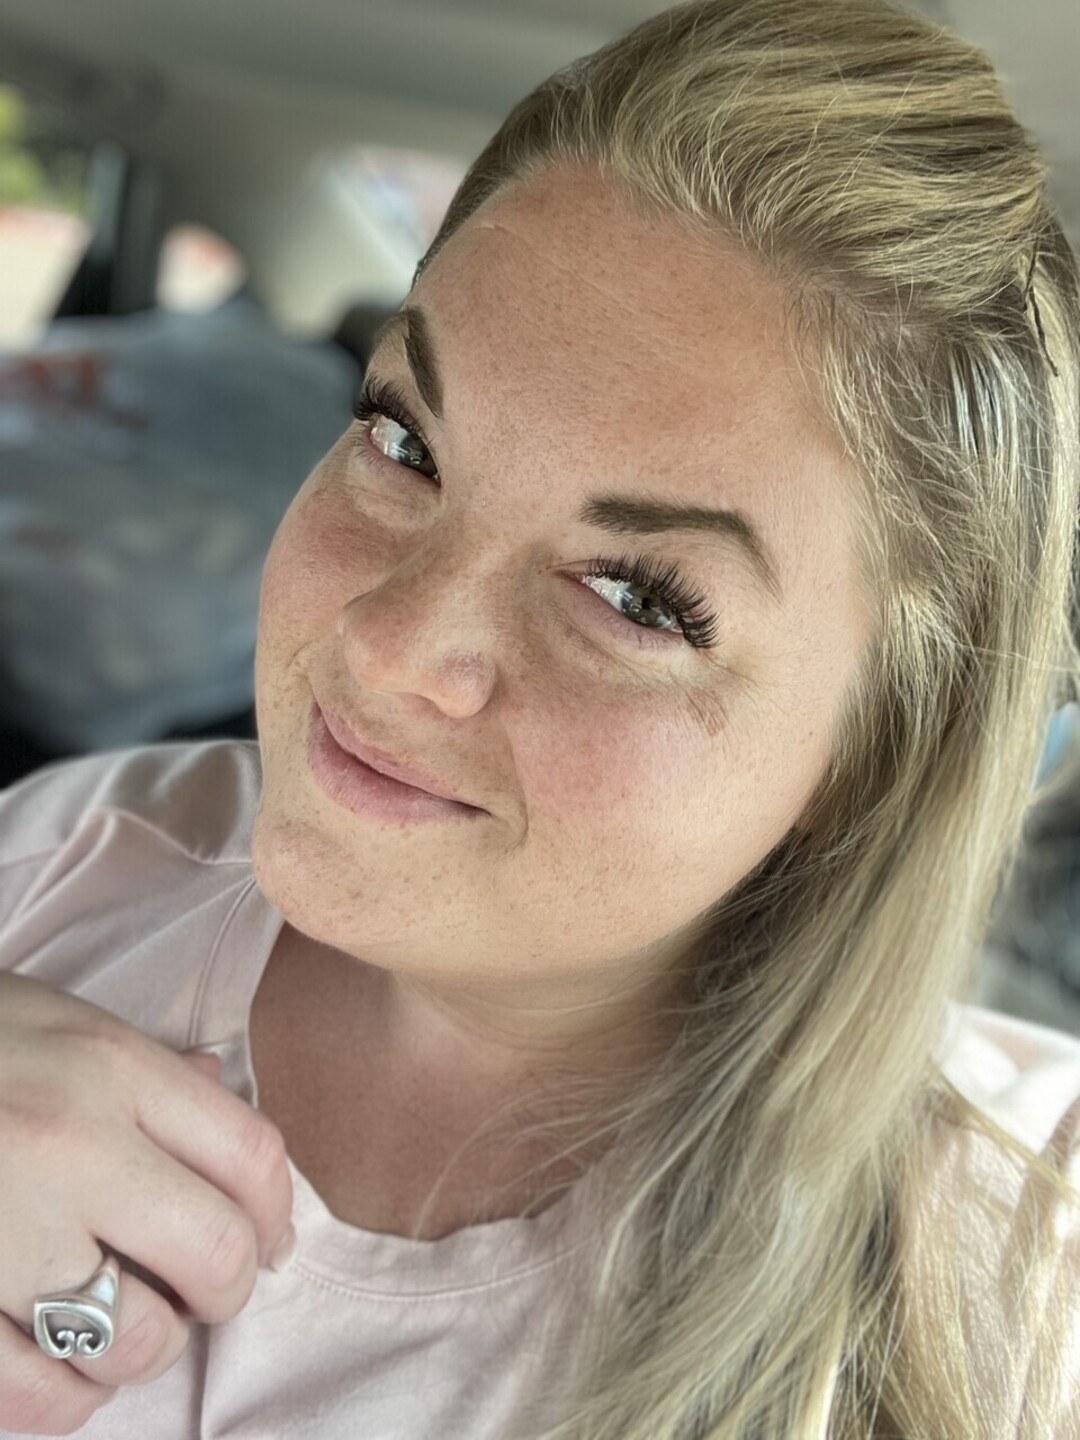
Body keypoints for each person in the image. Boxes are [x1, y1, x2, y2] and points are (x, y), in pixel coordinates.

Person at [1, 0, 1079, 1436]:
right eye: (405, 440)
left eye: (636, 597)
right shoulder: (67, 859)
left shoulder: (1018, 1289)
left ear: (875, 750)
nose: (386, 646)